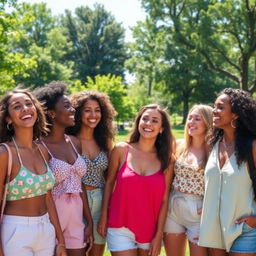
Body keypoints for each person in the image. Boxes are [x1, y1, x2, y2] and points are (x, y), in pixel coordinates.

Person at [98, 104, 175, 256]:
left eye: (154, 121)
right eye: (144, 119)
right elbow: (109, 183)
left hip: (150, 229)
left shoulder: (167, 159)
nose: (148, 124)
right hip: (119, 225)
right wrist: (104, 215)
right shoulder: (121, 150)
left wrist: (159, 233)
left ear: (161, 128)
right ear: (138, 122)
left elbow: (165, 200)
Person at [0, 88, 66, 256]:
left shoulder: (42, 150)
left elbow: (48, 198)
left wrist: (61, 241)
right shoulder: (4, 154)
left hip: (45, 230)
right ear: (8, 118)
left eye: (29, 104)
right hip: (16, 231)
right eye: (16, 106)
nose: (25, 109)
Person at [34, 82, 93, 256]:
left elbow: (79, 185)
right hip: (52, 214)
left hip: (76, 212)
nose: (73, 109)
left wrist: (88, 221)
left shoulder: (75, 142)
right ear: (51, 113)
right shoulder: (39, 147)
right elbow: (43, 192)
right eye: (66, 106)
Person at [199, 88, 256, 255]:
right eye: (214, 106)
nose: (214, 111)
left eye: (220, 107)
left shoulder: (252, 146)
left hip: (244, 229)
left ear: (235, 114)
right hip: (214, 230)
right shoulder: (212, 145)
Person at [68, 90, 116, 256]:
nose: (93, 115)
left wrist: (104, 212)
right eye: (87, 110)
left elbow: (110, 179)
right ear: (78, 112)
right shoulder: (69, 140)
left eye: (97, 110)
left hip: (100, 201)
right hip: (75, 203)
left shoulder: (105, 141)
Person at [164, 104, 213, 256]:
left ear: (208, 122)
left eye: (197, 119)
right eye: (190, 118)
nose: (191, 122)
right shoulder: (178, 145)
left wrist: (209, 207)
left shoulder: (214, 150)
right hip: (173, 206)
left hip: (199, 210)